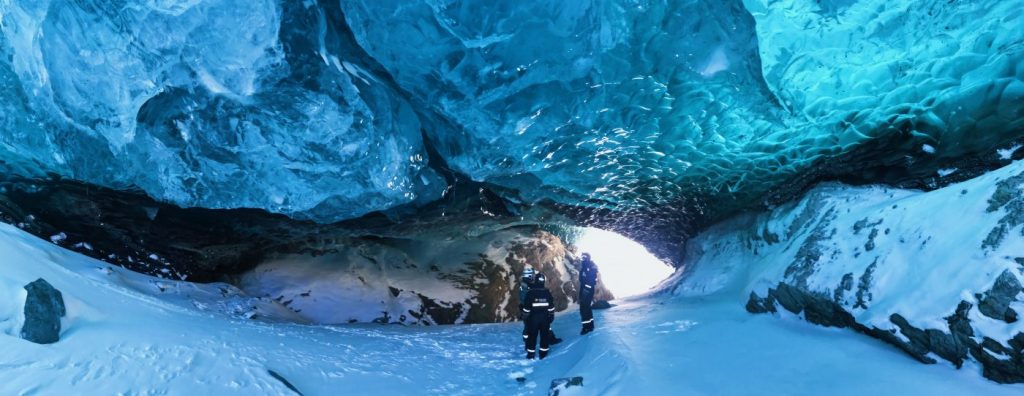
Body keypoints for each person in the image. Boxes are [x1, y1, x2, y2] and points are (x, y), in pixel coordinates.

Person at [518, 267, 561, 344]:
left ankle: (549, 339)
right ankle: (529, 341)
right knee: (530, 326)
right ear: (529, 276)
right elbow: (527, 299)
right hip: (529, 310)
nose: (533, 277)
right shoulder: (525, 286)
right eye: (532, 275)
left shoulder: (526, 285)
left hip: (530, 309)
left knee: (531, 325)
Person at [521, 273, 556, 359]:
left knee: (532, 336)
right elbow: (551, 306)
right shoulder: (547, 292)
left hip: (533, 318)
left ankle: (531, 354)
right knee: (544, 335)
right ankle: (543, 353)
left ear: (535, 280)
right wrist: (551, 315)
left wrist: (525, 316)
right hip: (545, 318)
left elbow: (526, 307)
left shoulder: (531, 292)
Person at [578, 252, 598, 335]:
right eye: (582, 257)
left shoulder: (590, 266)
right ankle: (590, 325)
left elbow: (591, 279)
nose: (583, 258)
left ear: (588, 257)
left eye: (584, 257)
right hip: (584, 288)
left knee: (584, 308)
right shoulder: (585, 265)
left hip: (587, 289)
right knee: (586, 307)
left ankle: (586, 327)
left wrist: (586, 290)